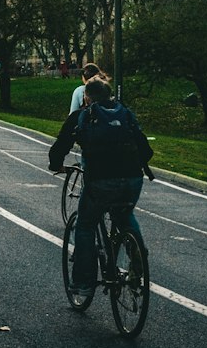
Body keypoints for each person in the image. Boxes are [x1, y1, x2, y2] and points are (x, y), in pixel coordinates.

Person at [48, 76, 154, 302]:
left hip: (100, 181)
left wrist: (55, 163)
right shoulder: (125, 113)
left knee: (85, 226)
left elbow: (61, 145)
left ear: (86, 97)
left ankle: (84, 283)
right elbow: (146, 151)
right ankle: (137, 253)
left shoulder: (82, 116)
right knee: (125, 215)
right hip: (132, 179)